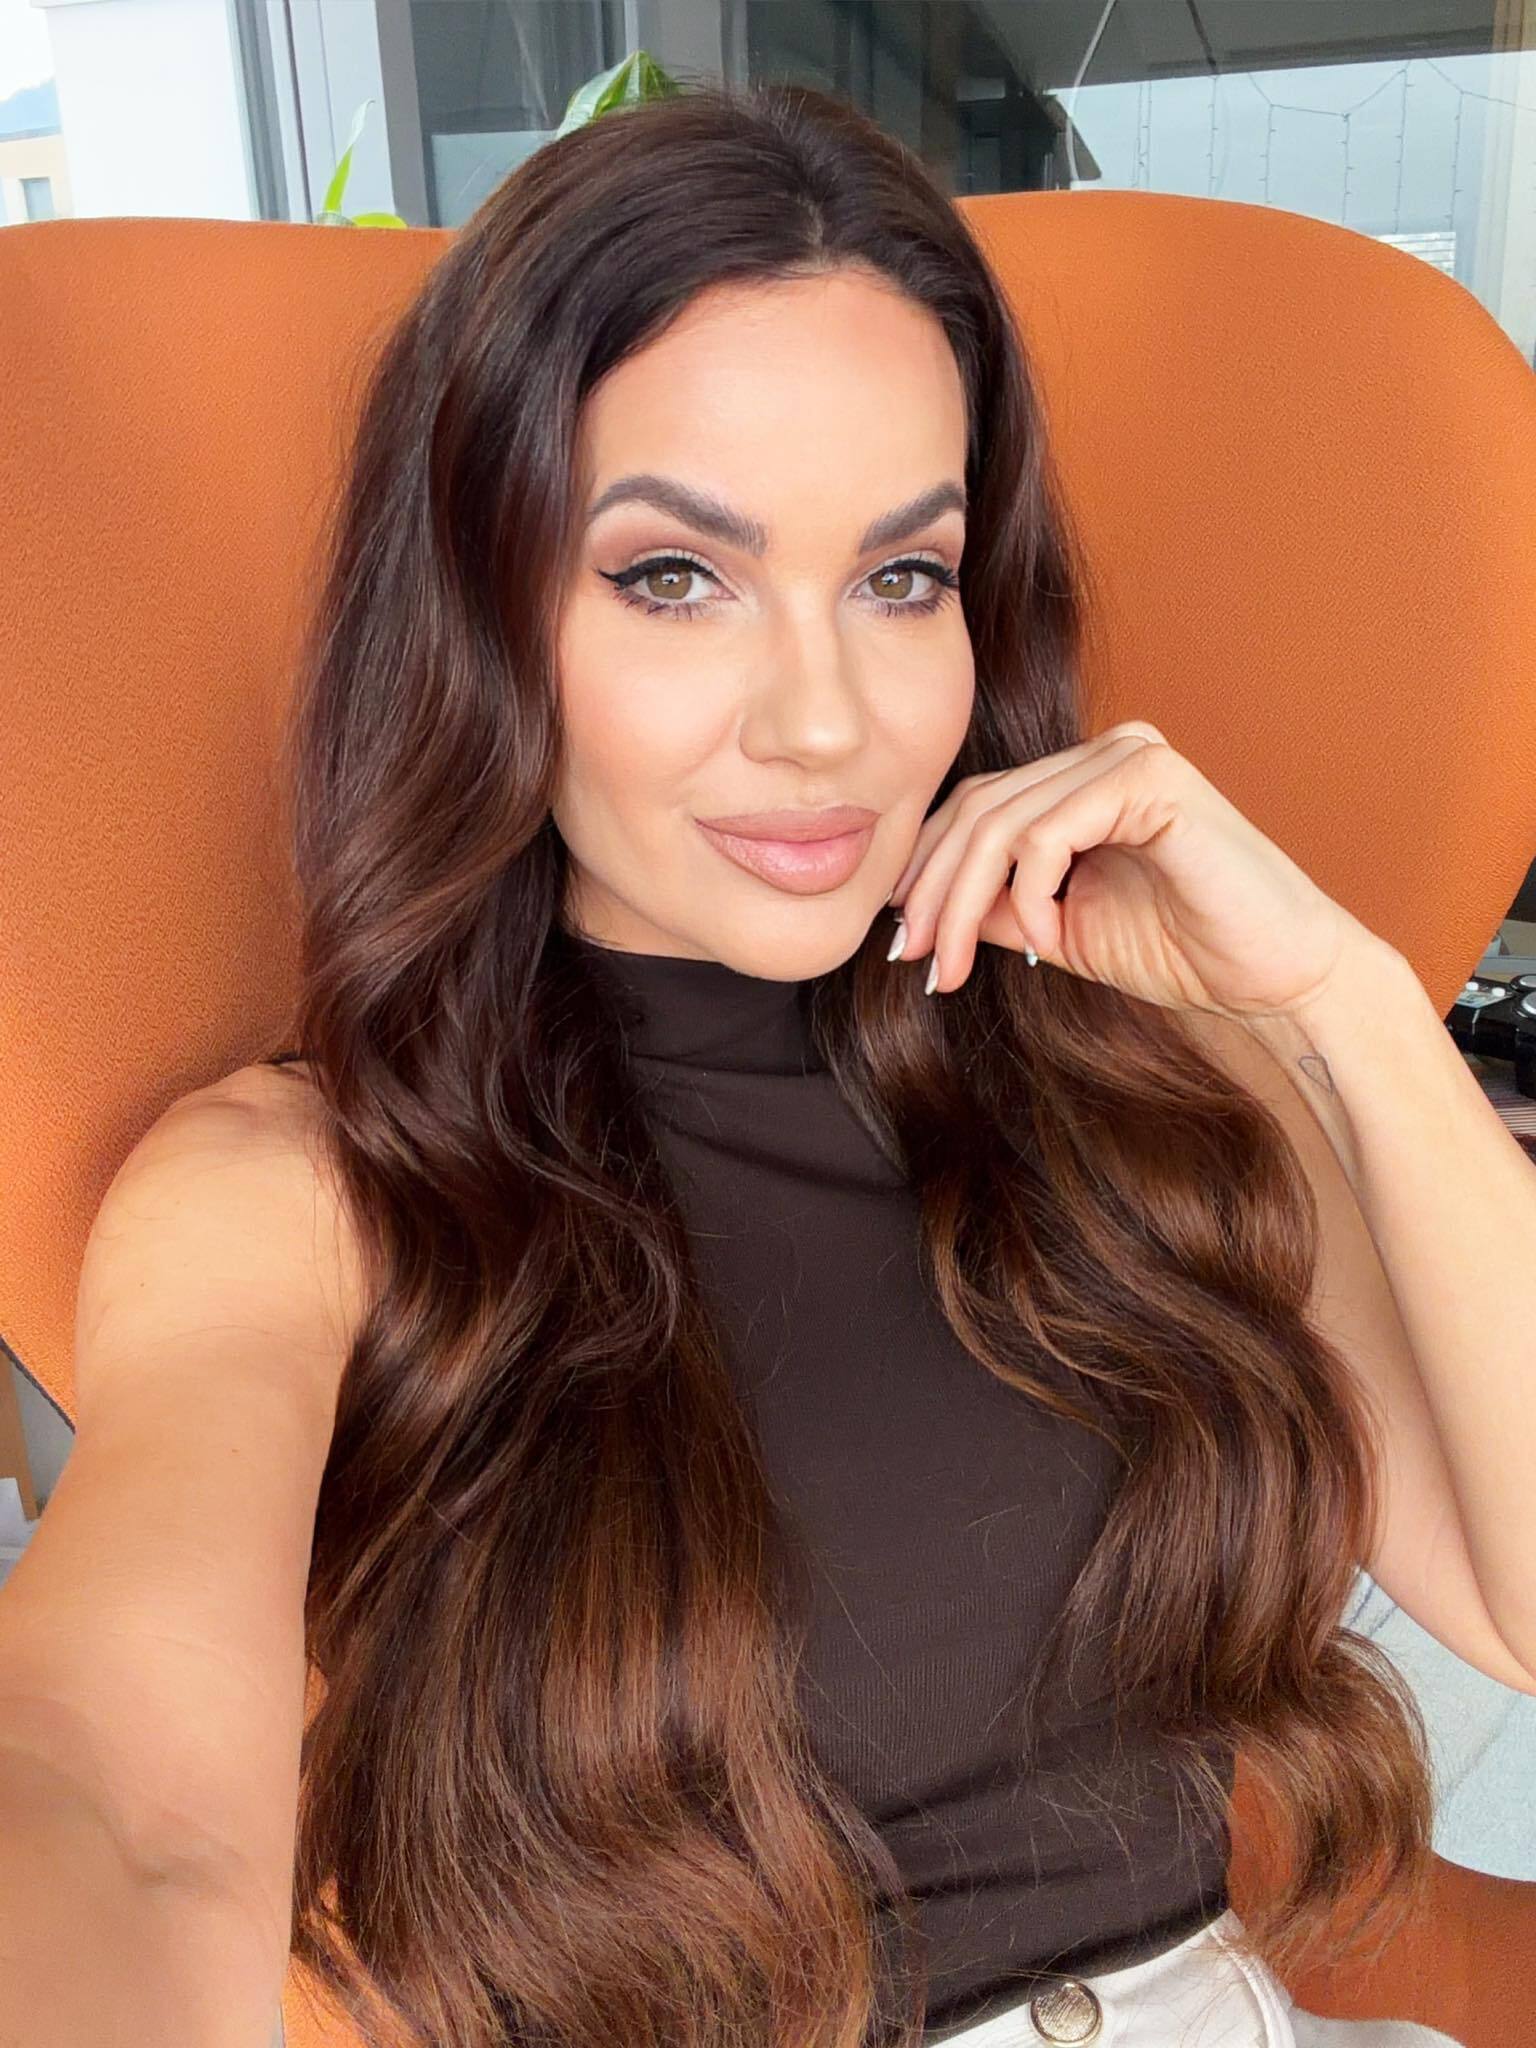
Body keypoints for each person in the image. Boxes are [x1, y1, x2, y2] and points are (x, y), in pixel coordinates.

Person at [0, 80, 1480, 2048]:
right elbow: (126, 1804)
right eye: (673, 577)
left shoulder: (1147, 1058)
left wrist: (1349, 1001)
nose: (825, 723)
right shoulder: (302, 1185)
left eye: (902, 577)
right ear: (482, 611)